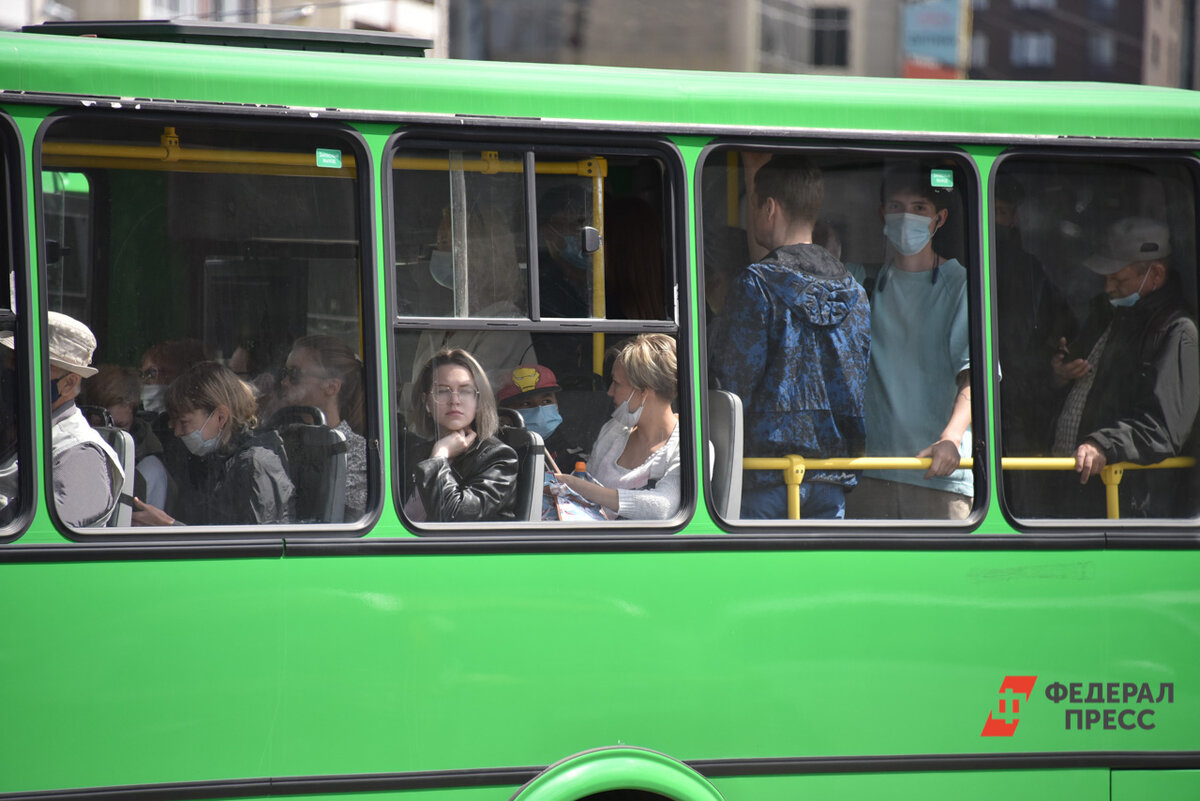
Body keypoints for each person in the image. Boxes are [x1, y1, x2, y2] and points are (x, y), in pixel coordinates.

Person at [710, 154, 870, 520]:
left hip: (762, 475)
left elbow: (732, 383)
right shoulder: (857, 293)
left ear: (769, 207)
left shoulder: (756, 285)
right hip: (832, 476)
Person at [1045, 217, 1199, 517]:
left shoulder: (1177, 332)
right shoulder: (1105, 316)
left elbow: (1162, 427)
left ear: (1155, 274)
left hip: (1126, 500)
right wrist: (1059, 375)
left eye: (1118, 279)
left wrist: (1103, 444)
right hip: (1075, 486)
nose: (1108, 287)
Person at [846, 164, 973, 520]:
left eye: (919, 209)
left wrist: (950, 438)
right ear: (881, 213)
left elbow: (974, 376)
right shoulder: (861, 282)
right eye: (896, 207)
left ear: (940, 218)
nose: (906, 217)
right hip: (870, 474)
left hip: (939, 476)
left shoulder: (961, 285)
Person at [131, 362, 294, 526]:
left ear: (220, 417)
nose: (177, 432)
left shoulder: (256, 465)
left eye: (184, 422)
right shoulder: (208, 461)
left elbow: (252, 547)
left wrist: (169, 527)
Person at [554, 334, 681, 520]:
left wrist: (577, 485)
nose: (609, 391)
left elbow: (662, 507)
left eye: (617, 383)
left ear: (644, 391)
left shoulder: (690, 446)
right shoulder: (614, 430)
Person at [22, 312, 124, 527]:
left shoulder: (81, 455)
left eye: (25, 364)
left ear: (68, 384)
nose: (12, 371)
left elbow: (41, 541)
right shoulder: (22, 429)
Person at [403, 348, 518, 523]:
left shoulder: (499, 457)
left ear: (478, 401)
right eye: (442, 391)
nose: (454, 400)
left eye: (465, 391)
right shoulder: (415, 452)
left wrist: (440, 456)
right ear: (425, 402)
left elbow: (453, 516)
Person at [279, 335, 368, 520]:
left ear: (331, 387)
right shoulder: (281, 435)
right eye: (284, 373)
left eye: (294, 374)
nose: (284, 382)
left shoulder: (352, 451)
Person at [80, 364, 172, 512]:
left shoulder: (148, 470)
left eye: (121, 426)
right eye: (100, 425)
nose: (109, 435)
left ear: (133, 419)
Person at [495, 363, 585, 471]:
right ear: (506, 414)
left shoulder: (572, 453)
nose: (539, 409)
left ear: (557, 406)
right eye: (526, 404)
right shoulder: (498, 455)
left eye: (546, 401)